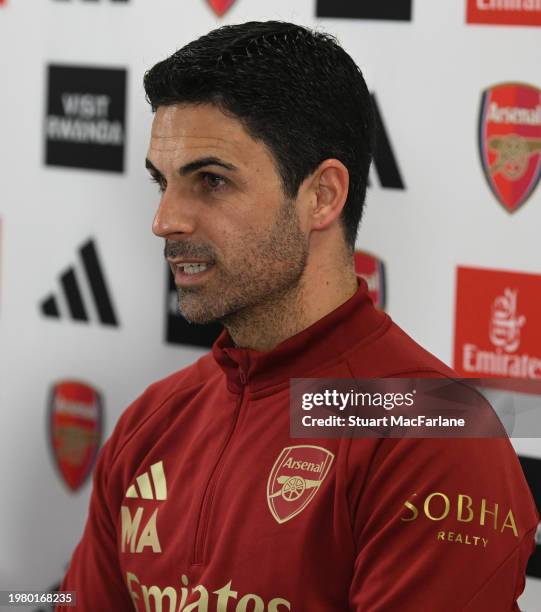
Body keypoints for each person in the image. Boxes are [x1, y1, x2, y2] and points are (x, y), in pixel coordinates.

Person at [58, 21, 539, 611]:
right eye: (164, 183)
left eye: (210, 181)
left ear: (322, 196)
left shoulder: (432, 430)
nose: (165, 220)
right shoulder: (150, 423)